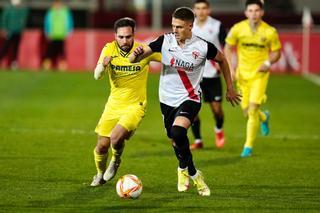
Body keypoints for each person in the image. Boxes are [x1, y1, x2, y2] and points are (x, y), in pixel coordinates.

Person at [130, 7, 241, 196]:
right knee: (176, 139)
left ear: (190, 26)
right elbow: (136, 58)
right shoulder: (164, 41)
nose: (175, 30)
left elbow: (222, 60)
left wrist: (230, 87)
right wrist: (136, 54)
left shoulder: (203, 46)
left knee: (178, 131)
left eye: (179, 27)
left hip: (190, 98)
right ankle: (186, 169)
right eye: (173, 26)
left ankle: (195, 176)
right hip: (167, 100)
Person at [90, 17, 161, 187]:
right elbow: (97, 76)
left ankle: (116, 161)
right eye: (121, 37)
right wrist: (102, 66)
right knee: (101, 146)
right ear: (115, 36)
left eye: (128, 37)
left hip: (136, 105)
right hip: (113, 105)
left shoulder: (143, 50)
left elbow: (169, 59)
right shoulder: (108, 49)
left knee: (115, 137)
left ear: (134, 35)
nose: (125, 40)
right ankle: (99, 174)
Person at [224, 0, 281, 157]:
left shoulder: (269, 32)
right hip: (242, 75)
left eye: (257, 10)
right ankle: (264, 117)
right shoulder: (238, 29)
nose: (254, 13)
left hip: (259, 75)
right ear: (246, 13)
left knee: (252, 108)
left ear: (262, 12)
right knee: (246, 112)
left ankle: (247, 147)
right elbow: (227, 47)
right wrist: (231, 68)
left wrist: (268, 62)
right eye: (251, 10)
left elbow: (277, 52)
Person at [190, 0, 227, 150]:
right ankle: (198, 140)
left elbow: (226, 48)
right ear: (194, 10)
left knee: (217, 110)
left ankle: (218, 129)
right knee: (191, 110)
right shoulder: (188, 26)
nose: (201, 11)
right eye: (198, 8)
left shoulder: (217, 26)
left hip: (212, 75)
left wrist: (224, 66)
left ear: (209, 10)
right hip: (193, 75)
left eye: (204, 8)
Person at [43, 0, 73, 70]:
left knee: (62, 52)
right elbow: (47, 22)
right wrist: (47, 32)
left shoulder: (65, 11)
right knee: (50, 51)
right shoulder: (51, 12)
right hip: (53, 35)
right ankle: (47, 65)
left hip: (62, 35)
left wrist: (69, 32)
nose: (57, 5)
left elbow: (69, 21)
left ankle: (62, 66)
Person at [0, 0, 28, 70]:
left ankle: (14, 63)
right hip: (10, 32)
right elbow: (4, 19)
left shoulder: (21, 10)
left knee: (16, 48)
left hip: (17, 32)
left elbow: (23, 20)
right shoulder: (9, 9)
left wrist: (21, 29)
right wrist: (4, 29)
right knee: (5, 48)